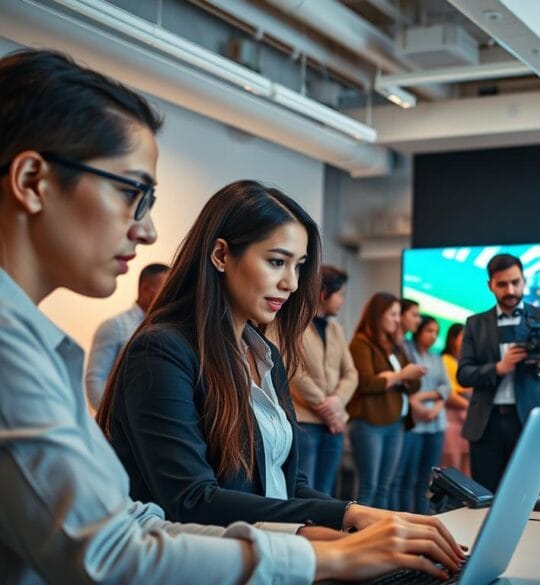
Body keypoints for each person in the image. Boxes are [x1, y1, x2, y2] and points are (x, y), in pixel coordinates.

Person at [0, 49, 461, 583]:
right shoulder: (93, 351)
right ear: (33, 180)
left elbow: (142, 524)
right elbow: (122, 548)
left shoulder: (37, 344)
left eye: (298, 266)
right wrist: (329, 551)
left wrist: (345, 526)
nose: (147, 231)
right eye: (132, 194)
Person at [456, 253, 540, 492]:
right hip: (486, 426)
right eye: (502, 284)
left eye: (515, 282)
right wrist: (498, 368)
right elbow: (463, 374)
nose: (510, 289)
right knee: (485, 500)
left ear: (524, 281)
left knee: (533, 499)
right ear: (490, 285)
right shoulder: (475, 324)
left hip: (532, 422)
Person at [284, 265, 358, 496]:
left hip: (333, 424)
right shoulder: (293, 323)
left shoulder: (336, 328)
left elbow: (351, 373)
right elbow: (292, 370)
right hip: (305, 422)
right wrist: (326, 407)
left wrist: (336, 402)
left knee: (325, 491)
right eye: (340, 295)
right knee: (304, 491)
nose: (342, 301)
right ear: (323, 293)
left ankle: (324, 532)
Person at [347, 293, 426, 509]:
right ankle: (358, 537)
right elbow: (366, 383)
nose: (397, 319)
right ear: (378, 315)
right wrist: (399, 377)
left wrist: (392, 378)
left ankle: (378, 536)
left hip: (395, 424)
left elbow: (416, 382)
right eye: (392, 314)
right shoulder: (360, 343)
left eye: (398, 314)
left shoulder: (393, 345)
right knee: (369, 486)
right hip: (369, 424)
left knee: (385, 487)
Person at [85, 262, 168, 410]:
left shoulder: (165, 330)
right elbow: (94, 382)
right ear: (145, 289)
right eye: (164, 290)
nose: (169, 296)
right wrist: (115, 420)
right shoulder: (114, 326)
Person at [394, 316, 451, 514]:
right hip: (414, 424)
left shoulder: (437, 357)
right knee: (406, 477)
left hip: (435, 423)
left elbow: (447, 387)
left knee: (425, 479)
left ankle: (421, 518)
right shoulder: (407, 353)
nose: (433, 336)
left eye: (436, 332)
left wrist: (432, 404)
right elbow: (405, 387)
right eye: (429, 331)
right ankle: (403, 517)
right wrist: (416, 404)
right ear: (418, 331)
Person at [390, 298, 423, 510]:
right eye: (414, 315)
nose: (418, 321)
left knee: (404, 479)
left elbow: (414, 383)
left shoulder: (405, 346)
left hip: (404, 419)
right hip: (389, 419)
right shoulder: (392, 345)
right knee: (390, 482)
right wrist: (403, 375)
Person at [441, 324, 472, 476]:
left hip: (467, 422)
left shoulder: (466, 363)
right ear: (453, 339)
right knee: (452, 469)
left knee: (467, 470)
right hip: (452, 421)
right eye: (463, 338)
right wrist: (471, 404)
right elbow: (450, 394)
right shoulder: (445, 360)